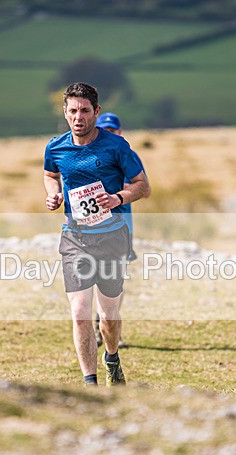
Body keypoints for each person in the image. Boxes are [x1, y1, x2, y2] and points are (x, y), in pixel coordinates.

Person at [43, 82, 151, 386]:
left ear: (96, 112)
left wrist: (118, 198)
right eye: (73, 111)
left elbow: (143, 186)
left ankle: (112, 356)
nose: (79, 117)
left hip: (112, 237)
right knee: (79, 312)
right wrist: (54, 195)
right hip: (74, 237)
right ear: (65, 112)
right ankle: (90, 385)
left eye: (85, 111)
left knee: (109, 314)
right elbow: (51, 174)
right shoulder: (55, 147)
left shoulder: (116, 147)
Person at [93, 112, 143, 349]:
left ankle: (111, 328)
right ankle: (97, 325)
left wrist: (121, 193)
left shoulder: (128, 156)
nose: (109, 134)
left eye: (113, 130)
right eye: (105, 130)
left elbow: (142, 187)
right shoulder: (89, 156)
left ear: (119, 132)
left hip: (122, 227)